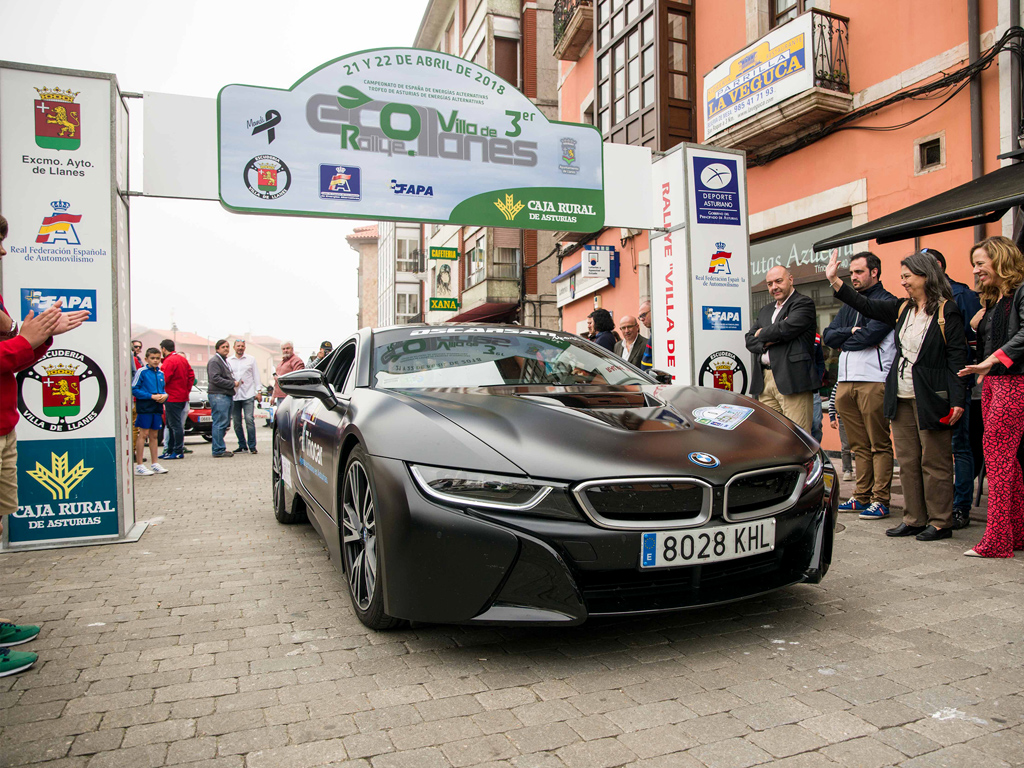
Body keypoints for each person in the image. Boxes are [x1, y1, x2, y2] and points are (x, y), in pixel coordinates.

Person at [0, 213, 89, 678]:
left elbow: (13, 356)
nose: (3, 251)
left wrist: (41, 337)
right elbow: (9, 352)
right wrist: (22, 343)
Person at [826, 250, 967, 541]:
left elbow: (956, 359)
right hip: (900, 395)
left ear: (925, 276)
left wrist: (957, 400)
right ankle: (914, 518)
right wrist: (835, 283)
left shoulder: (946, 311)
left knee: (935, 461)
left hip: (931, 396)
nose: (902, 282)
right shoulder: (902, 308)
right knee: (908, 460)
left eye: (907, 277)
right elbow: (863, 304)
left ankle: (940, 521)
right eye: (901, 277)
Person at [958, 236, 1024, 558]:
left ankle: (997, 542)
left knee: (997, 462)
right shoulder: (996, 300)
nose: (975, 270)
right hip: (996, 385)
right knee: (1007, 462)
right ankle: (1018, 533)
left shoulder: (1021, 292)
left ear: (1000, 260)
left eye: (981, 263)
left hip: (1013, 384)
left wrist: (994, 358)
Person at [822, 252, 897, 520]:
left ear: (874, 272)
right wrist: (850, 334)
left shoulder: (887, 302)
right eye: (851, 273)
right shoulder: (848, 305)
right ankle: (862, 495)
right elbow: (829, 336)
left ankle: (881, 499)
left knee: (878, 443)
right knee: (858, 445)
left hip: (874, 381)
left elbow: (869, 337)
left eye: (859, 272)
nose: (853, 277)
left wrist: (850, 337)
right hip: (845, 382)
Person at [926, 247, 983, 529]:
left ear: (936, 266)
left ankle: (960, 507)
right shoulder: (918, 301)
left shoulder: (961, 294)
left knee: (960, 446)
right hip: (929, 386)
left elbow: (974, 340)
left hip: (958, 382)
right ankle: (939, 505)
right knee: (936, 448)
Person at [744, 266, 817, 431]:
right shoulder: (765, 310)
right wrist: (768, 339)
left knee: (796, 436)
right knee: (770, 435)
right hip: (765, 380)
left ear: (790, 280)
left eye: (778, 281)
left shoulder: (803, 303)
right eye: (770, 284)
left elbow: (785, 329)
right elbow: (749, 340)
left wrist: (761, 334)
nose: (774, 287)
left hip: (792, 378)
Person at [131, 348, 169, 476]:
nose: (155, 361)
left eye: (158, 358)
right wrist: (150, 396)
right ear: (147, 359)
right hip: (145, 406)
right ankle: (139, 465)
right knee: (143, 434)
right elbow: (134, 389)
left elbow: (163, 390)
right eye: (152, 358)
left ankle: (155, 463)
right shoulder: (141, 372)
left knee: (154, 435)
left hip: (157, 407)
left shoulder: (161, 374)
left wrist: (164, 395)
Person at [158, 339, 195, 461]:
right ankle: (170, 450)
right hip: (182, 397)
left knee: (174, 425)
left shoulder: (169, 361)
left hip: (172, 397)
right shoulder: (182, 359)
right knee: (172, 424)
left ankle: (177, 450)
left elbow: (164, 379)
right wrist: (186, 389)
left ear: (163, 349)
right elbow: (191, 376)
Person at [228, 339, 261, 454]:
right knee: (236, 422)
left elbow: (256, 375)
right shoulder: (228, 361)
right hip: (235, 395)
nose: (240, 348)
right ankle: (242, 445)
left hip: (248, 394)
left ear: (245, 348)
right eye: (238, 346)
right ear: (234, 347)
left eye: (242, 346)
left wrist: (259, 391)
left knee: (249, 420)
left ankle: (252, 446)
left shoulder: (251, 360)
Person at [206, 340, 236, 458]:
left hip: (225, 394)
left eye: (227, 347)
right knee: (220, 422)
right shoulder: (215, 361)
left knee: (224, 423)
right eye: (223, 347)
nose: (226, 349)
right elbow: (215, 379)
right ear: (217, 349)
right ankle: (218, 449)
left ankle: (219, 447)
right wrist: (232, 383)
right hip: (219, 395)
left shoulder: (223, 361)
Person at [827, 382, 855, 480]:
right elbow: (832, 401)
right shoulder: (839, 383)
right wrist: (832, 417)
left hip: (858, 418)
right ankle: (847, 470)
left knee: (862, 446)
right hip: (843, 418)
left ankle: (863, 471)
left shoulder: (860, 381)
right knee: (845, 446)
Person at [274, 341, 305, 405]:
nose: (285, 350)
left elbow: (298, 378)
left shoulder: (297, 361)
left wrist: (281, 379)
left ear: (292, 349)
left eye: (287, 348)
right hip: (279, 397)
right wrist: (273, 396)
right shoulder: (281, 362)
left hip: (290, 397)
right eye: (283, 349)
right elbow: (276, 382)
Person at [811, 332, 826, 443]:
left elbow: (820, 361)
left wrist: (819, 379)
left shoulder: (816, 337)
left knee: (816, 424)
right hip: (796, 388)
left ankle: (816, 456)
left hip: (813, 389)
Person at [638, 300, 653, 369]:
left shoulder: (658, 334)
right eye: (640, 317)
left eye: (643, 315)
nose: (642, 319)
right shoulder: (653, 333)